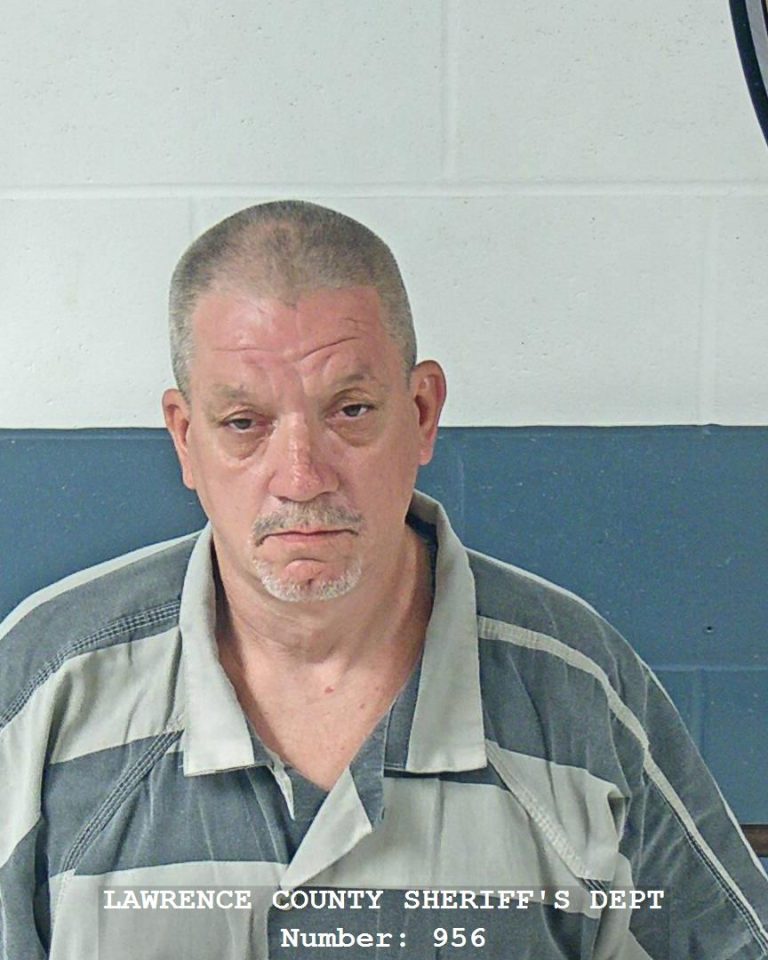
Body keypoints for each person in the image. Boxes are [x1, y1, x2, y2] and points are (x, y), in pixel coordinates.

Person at [0, 200, 766, 960]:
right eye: (244, 424)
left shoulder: (576, 689)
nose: (301, 477)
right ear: (184, 436)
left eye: (351, 410)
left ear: (422, 412)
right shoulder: (46, 687)